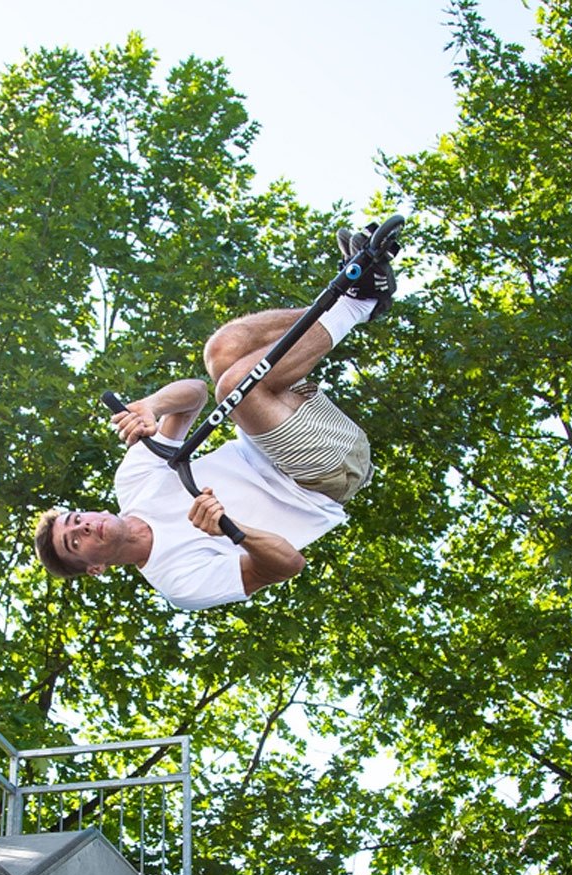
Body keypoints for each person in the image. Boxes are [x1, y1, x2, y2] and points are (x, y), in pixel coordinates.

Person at [34, 226, 396, 610]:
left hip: (278, 426)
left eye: (76, 519)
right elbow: (288, 564)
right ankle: (356, 304)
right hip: (323, 476)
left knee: (222, 353)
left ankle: (356, 297)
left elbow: (194, 393)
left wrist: (153, 406)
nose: (84, 527)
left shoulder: (133, 483)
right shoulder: (178, 582)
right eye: (76, 541)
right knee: (236, 386)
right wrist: (234, 532)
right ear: (95, 568)